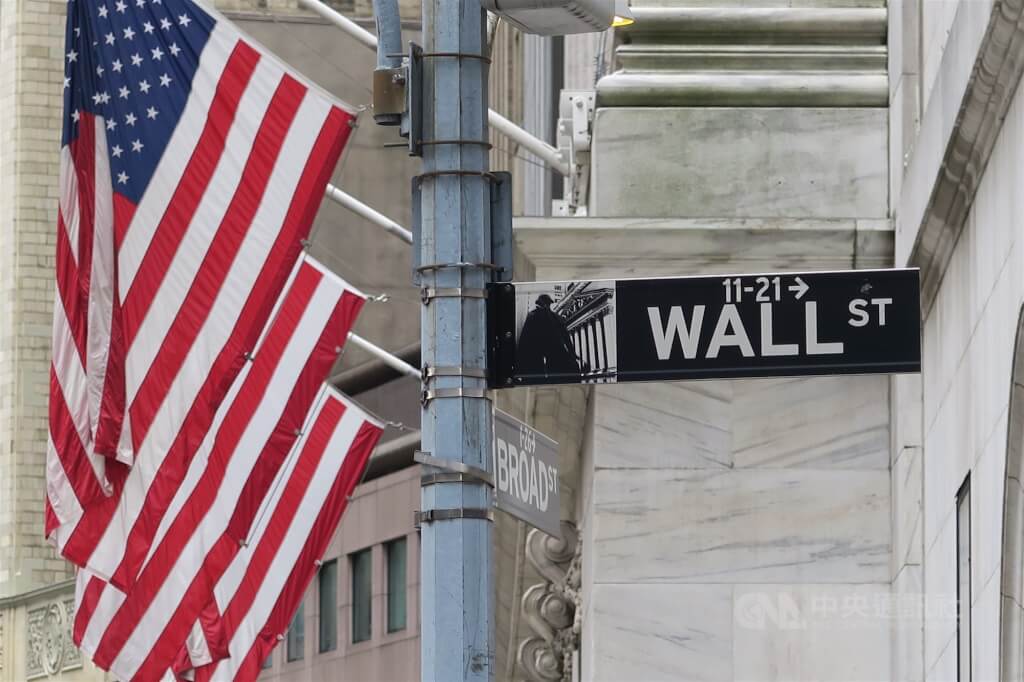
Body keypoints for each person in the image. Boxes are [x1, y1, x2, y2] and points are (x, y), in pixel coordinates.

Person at [516, 294, 581, 379]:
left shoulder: (532, 315)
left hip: (538, 356)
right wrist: (572, 353)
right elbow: (566, 338)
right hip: (555, 355)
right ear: (548, 304)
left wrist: (520, 361)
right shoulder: (556, 317)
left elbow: (524, 339)